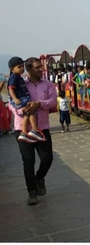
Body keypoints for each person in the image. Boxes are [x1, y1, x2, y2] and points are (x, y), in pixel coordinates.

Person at [9, 57, 57, 206]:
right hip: (22, 128)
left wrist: (39, 104)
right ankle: (32, 192)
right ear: (28, 69)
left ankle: (39, 178)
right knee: (28, 161)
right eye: (36, 67)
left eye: (40, 67)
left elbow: (53, 101)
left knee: (47, 158)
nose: (40, 70)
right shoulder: (20, 83)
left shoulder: (48, 84)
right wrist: (21, 109)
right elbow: (11, 104)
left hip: (41, 126)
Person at [7, 57, 46, 143]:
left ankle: (24, 132)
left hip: (22, 98)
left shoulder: (18, 77)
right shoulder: (14, 77)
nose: (21, 69)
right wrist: (15, 99)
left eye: (22, 67)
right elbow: (11, 89)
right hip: (22, 98)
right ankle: (34, 130)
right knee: (32, 111)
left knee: (27, 114)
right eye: (19, 67)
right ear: (12, 69)